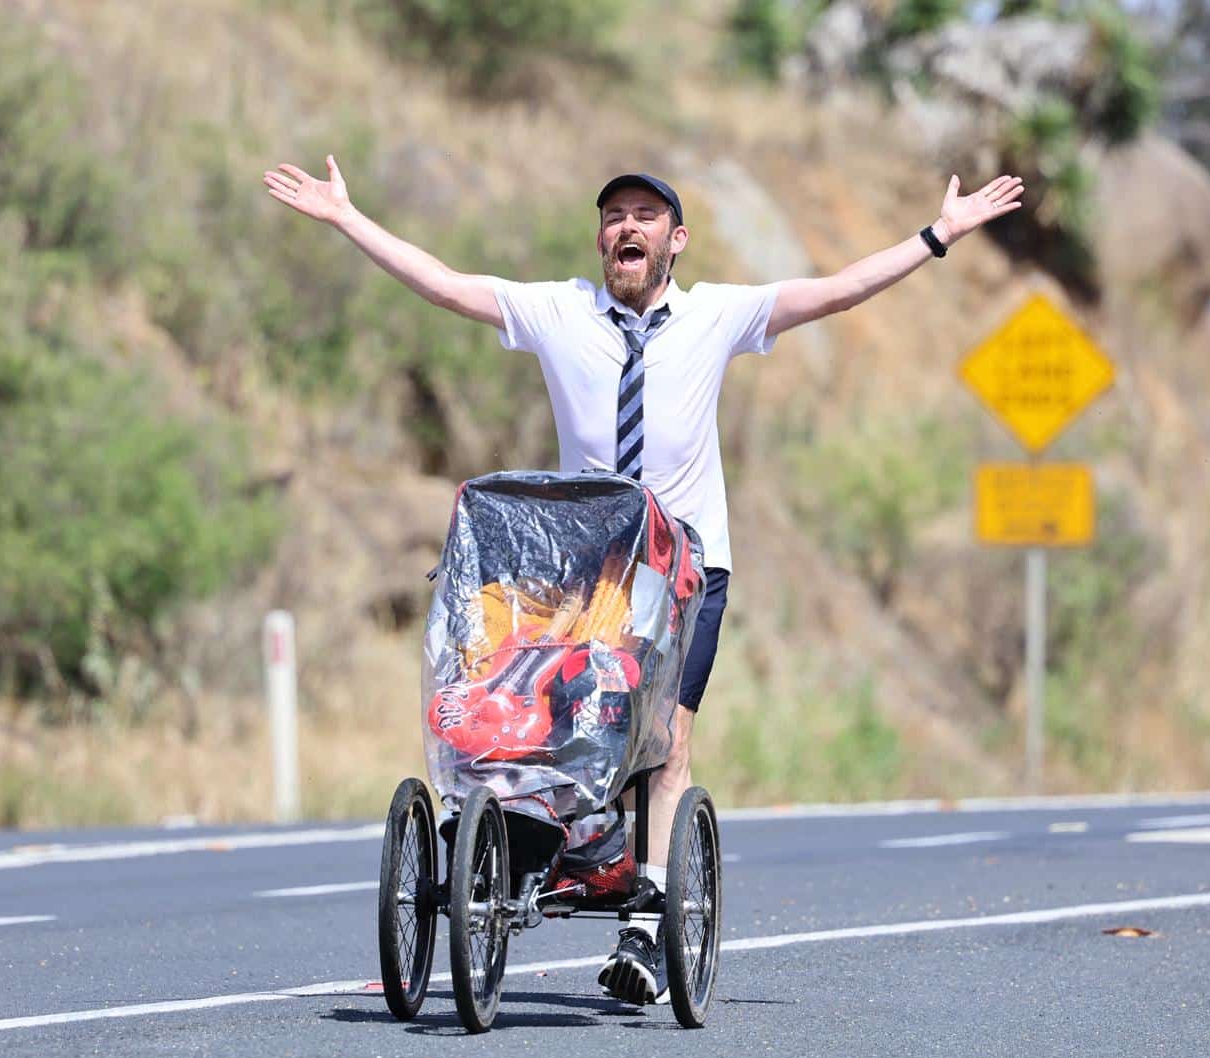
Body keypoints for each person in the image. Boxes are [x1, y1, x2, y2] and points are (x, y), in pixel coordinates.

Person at [263, 157, 1022, 1005]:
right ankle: (545, 848)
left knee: (665, 737)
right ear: (601, 238)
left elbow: (835, 292)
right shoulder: (559, 312)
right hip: (588, 567)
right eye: (614, 215)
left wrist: (937, 236)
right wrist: (347, 217)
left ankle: (648, 925)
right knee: (545, 714)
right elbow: (444, 286)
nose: (627, 226)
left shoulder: (716, 316)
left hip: (685, 566)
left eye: (645, 216)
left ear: (676, 240)